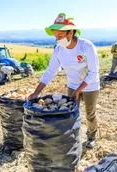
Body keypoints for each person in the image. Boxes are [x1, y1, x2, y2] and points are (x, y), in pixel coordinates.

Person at [28, 12, 100, 148]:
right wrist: (36, 92)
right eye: (55, 37)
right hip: (73, 85)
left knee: (90, 114)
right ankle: (73, 137)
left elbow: (94, 73)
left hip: (90, 86)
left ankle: (91, 135)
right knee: (71, 113)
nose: (57, 40)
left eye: (60, 36)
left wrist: (79, 90)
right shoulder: (58, 50)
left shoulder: (86, 46)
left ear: (70, 33)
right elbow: (50, 71)